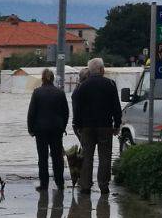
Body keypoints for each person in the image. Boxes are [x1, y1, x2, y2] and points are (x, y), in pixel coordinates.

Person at [70, 57, 121, 195]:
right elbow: (116, 106)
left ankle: (85, 185)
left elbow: (77, 109)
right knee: (105, 157)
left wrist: (78, 125)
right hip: (105, 126)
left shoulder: (82, 86)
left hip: (86, 127)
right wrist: (117, 124)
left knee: (87, 157)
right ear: (101, 69)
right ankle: (103, 185)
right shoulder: (110, 84)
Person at [26, 68, 69, 191]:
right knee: (57, 157)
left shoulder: (37, 92)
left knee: (42, 157)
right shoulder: (60, 93)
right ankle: (60, 183)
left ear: (42, 78)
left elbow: (32, 112)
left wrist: (30, 129)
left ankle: (44, 184)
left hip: (40, 130)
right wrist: (63, 127)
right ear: (53, 79)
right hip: (56, 129)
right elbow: (66, 112)